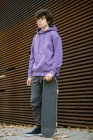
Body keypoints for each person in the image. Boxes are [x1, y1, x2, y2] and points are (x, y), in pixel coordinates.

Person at [25, 9, 63, 136]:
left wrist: (52, 72)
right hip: (36, 74)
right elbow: (32, 57)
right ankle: (39, 126)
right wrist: (29, 74)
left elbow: (58, 55)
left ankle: (50, 126)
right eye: (37, 19)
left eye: (41, 19)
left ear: (48, 20)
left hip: (48, 75)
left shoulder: (54, 35)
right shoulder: (35, 38)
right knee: (35, 101)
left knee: (48, 103)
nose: (39, 21)